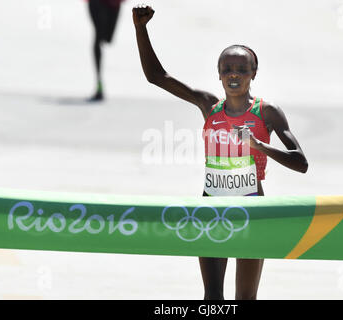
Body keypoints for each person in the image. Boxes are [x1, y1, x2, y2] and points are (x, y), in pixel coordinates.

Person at [132, 5, 308, 300]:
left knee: (245, 299)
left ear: (254, 73)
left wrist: (260, 146)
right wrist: (141, 28)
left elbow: (301, 162)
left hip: (252, 209)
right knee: (212, 297)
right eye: (227, 69)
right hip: (210, 207)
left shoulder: (267, 112)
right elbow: (156, 76)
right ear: (218, 74)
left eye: (241, 69)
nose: (234, 74)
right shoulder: (208, 106)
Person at [87, 0, 126, 102]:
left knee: (108, 39)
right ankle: (99, 83)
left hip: (114, 4)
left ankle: (99, 85)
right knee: (98, 36)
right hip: (96, 3)